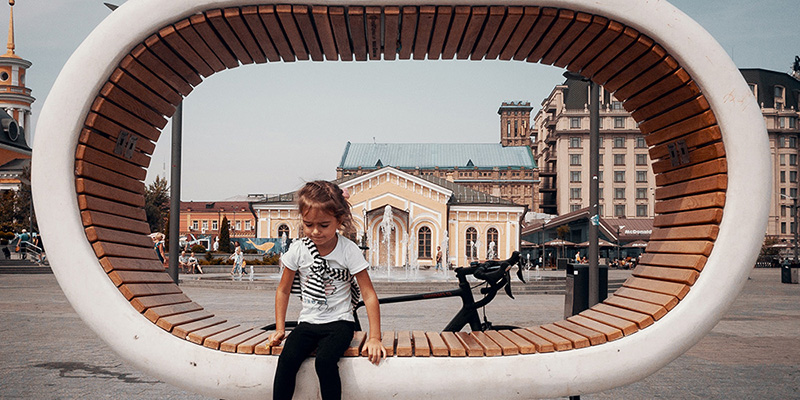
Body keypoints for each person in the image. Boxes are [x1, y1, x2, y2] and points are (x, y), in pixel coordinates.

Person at [268, 180, 385, 400]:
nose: (315, 232)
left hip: (340, 323)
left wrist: (375, 338)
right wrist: (280, 328)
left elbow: (368, 294)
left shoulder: (348, 250)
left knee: (325, 361)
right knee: (287, 360)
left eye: (323, 225)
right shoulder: (298, 250)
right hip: (308, 322)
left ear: (339, 221)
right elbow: (283, 290)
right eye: (308, 224)